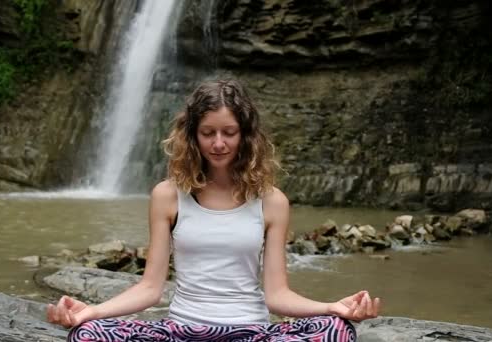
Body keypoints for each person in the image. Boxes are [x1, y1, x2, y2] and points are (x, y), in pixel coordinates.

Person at [47, 79, 381, 341]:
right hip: (181, 332)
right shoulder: (167, 196)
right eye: (207, 133)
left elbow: (277, 296)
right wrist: (92, 312)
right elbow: (150, 288)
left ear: (246, 136)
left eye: (229, 133)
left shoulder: (272, 201)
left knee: (338, 330)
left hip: (251, 333)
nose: (218, 143)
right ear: (192, 136)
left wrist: (332, 307)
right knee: (87, 333)